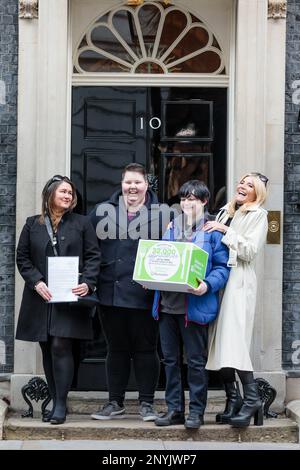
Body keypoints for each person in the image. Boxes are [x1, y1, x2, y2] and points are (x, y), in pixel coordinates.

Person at [16, 175, 101, 425]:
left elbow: (94, 256)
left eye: (70, 193)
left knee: (60, 346)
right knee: (47, 347)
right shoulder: (32, 224)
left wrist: (88, 282)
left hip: (70, 296)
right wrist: (36, 281)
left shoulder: (82, 223)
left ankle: (61, 404)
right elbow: (23, 258)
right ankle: (54, 400)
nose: (67, 196)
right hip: (41, 297)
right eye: (63, 191)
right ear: (50, 193)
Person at [89, 163, 170, 421]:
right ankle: (115, 402)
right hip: (110, 293)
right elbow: (89, 248)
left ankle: (147, 403)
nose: (132, 187)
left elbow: (175, 250)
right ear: (121, 184)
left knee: (147, 350)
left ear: (147, 184)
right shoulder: (102, 212)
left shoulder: (164, 214)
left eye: (137, 182)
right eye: (128, 182)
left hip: (146, 294)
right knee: (116, 349)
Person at [152, 180, 230, 429]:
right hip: (166, 305)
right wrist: (150, 275)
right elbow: (162, 259)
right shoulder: (172, 226)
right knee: (170, 361)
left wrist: (207, 285)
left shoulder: (212, 231)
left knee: (195, 362)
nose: (186, 203)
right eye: (184, 199)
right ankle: (174, 410)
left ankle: (196, 412)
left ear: (204, 201)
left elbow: (222, 267)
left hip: (193, 307)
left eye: (192, 199)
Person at [204, 172, 269, 428]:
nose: (242, 185)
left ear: (258, 193)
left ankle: (252, 399)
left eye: (250, 184)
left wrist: (226, 231)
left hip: (239, 282)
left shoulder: (258, 216)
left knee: (235, 341)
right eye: (242, 181)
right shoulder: (225, 211)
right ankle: (233, 400)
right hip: (219, 279)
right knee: (219, 342)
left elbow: (250, 251)